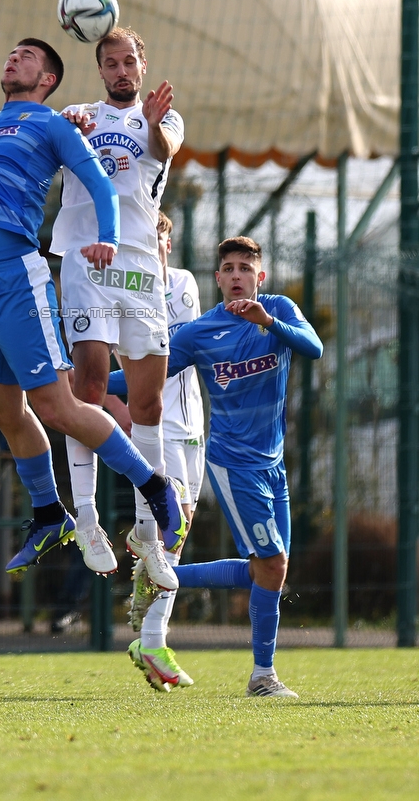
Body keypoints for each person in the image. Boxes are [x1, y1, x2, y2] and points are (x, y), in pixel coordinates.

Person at [0, 38, 185, 576]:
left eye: (28, 56)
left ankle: (154, 488)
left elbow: (100, 184)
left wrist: (108, 236)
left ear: (47, 80)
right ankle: (50, 516)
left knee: (58, 406)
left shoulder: (53, 125)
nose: (13, 58)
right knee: (2, 409)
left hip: (20, 278)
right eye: (12, 54)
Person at [111, 235, 323, 697]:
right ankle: (262, 677)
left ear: (259, 277)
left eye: (245, 268)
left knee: (269, 570)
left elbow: (314, 348)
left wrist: (268, 322)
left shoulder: (279, 310)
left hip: (274, 462)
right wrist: (64, 380)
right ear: (217, 279)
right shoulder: (198, 333)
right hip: (233, 463)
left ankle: (160, 577)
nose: (236, 276)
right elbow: (140, 379)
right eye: (228, 268)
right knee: (272, 564)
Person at [50, 27, 185, 589]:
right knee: (88, 384)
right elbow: (54, 137)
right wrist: (69, 128)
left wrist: (155, 122)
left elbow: (164, 150)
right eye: (111, 63)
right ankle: (85, 517)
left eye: (130, 61)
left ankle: (146, 532)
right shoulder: (78, 113)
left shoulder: (164, 119)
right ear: (100, 69)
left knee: (148, 400)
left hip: (139, 267)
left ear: (142, 64)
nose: (122, 70)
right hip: (87, 260)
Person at [125, 212, 205, 689]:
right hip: (159, 428)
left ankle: (150, 628)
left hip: (194, 422)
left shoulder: (182, 283)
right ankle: (152, 641)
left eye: (158, 236)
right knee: (171, 525)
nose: (152, 244)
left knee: (180, 529)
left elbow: (178, 348)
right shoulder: (122, 286)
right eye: (143, 236)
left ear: (169, 242)